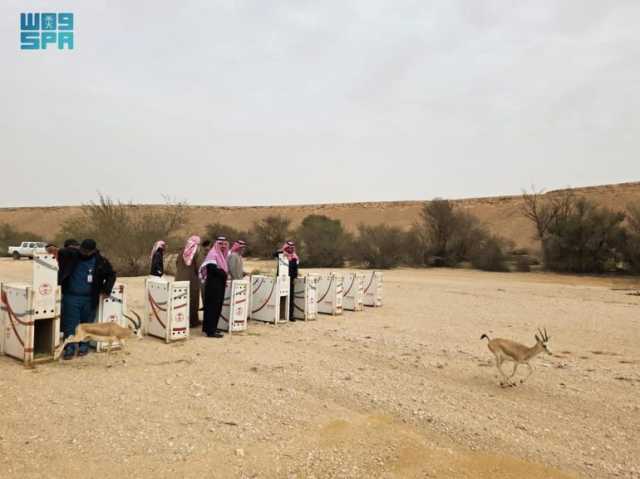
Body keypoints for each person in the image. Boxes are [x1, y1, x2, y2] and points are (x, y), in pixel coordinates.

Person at [57, 239, 116, 359]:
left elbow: (111, 274)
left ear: (93, 251)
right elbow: (62, 251)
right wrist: (51, 247)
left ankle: (84, 346)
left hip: (90, 298)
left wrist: (106, 290)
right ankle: (70, 347)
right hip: (71, 296)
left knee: (87, 324)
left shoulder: (100, 261)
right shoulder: (72, 256)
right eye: (83, 250)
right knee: (71, 324)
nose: (85, 253)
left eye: (87, 251)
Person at [199, 236, 228, 338]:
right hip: (213, 286)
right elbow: (212, 269)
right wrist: (223, 273)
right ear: (216, 244)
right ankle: (210, 332)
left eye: (224, 244)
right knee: (212, 307)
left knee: (215, 307)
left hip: (218, 285)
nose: (223, 246)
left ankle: (210, 328)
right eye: (220, 244)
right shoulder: (213, 254)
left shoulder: (221, 256)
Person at [175, 235, 204, 328]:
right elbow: (200, 267)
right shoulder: (196, 252)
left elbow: (176, 264)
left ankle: (181, 320)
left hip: (179, 280)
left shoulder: (182, 252)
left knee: (180, 300)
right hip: (192, 281)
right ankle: (193, 321)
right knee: (193, 301)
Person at [274, 240, 299, 321]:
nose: (291, 250)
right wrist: (282, 251)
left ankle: (290, 315)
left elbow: (295, 269)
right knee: (279, 296)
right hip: (281, 279)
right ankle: (279, 314)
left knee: (291, 297)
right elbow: (273, 254)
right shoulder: (281, 254)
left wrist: (295, 278)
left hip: (290, 280)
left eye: (292, 248)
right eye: (289, 248)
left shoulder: (294, 257)